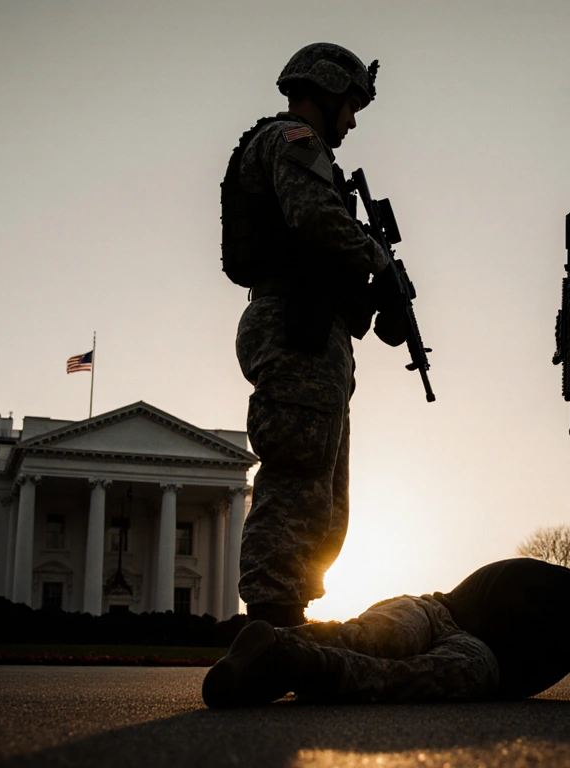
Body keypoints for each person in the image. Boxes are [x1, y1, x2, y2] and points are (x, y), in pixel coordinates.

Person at [221, 43, 408, 629]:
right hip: (292, 323)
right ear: (325, 90)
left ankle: (290, 610)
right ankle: (273, 619)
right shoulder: (293, 141)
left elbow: (325, 242)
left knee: (323, 485)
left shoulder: (307, 150)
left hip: (313, 326)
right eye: (350, 105)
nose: (351, 121)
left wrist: (377, 295)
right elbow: (314, 217)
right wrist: (380, 260)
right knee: (299, 472)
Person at [201, 558, 570, 707]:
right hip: (434, 609)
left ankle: (285, 660)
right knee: (377, 638)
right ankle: (279, 644)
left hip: (478, 653)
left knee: (409, 678)